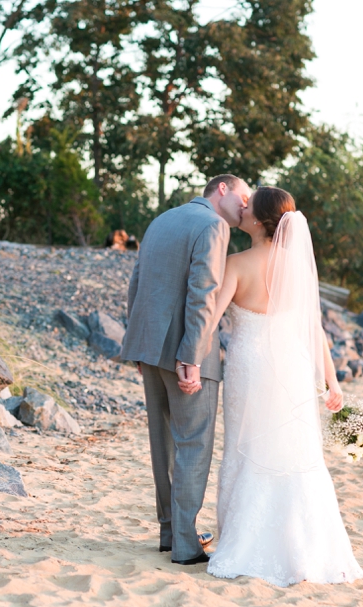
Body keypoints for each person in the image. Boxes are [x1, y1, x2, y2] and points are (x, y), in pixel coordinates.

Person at [206, 186, 363, 585]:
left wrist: (187, 356)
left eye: (248, 206)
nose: (242, 209)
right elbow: (315, 329)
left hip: (248, 366)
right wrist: (332, 380)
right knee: (293, 448)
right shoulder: (297, 267)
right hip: (292, 366)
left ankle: (245, 541)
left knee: (250, 446)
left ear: (258, 221)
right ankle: (306, 546)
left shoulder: (237, 263)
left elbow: (210, 319)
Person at [122, 174, 251, 565]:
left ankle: (169, 532)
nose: (246, 206)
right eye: (244, 197)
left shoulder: (161, 220)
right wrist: (192, 358)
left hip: (150, 348)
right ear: (222, 189)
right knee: (193, 443)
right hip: (186, 354)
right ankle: (185, 544)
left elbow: (137, 284)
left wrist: (140, 348)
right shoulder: (212, 226)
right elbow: (203, 295)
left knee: (163, 444)